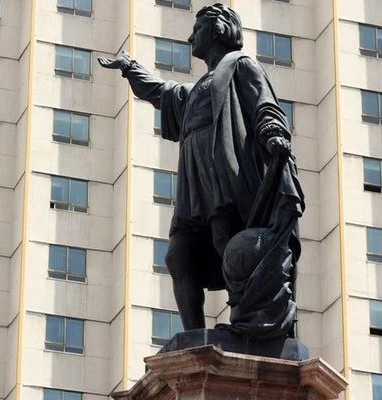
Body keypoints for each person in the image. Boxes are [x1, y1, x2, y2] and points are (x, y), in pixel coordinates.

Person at [98, 4, 303, 331]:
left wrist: (273, 134)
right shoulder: (197, 90)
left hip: (222, 178)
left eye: (197, 29)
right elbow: (162, 93)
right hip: (193, 182)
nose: (190, 37)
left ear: (219, 29)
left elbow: (264, 105)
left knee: (227, 245)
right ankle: (194, 338)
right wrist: (130, 68)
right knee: (178, 256)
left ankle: (247, 323)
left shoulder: (240, 66)